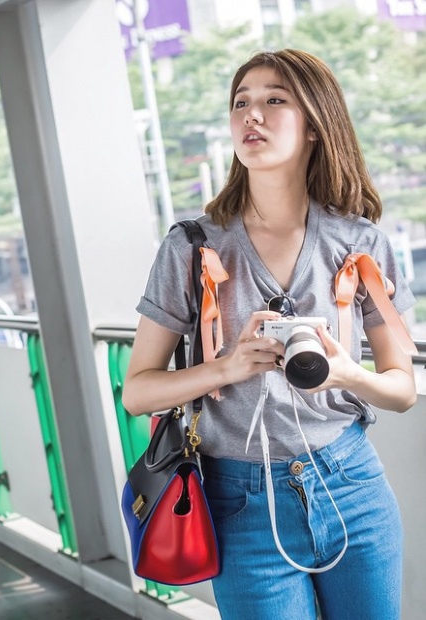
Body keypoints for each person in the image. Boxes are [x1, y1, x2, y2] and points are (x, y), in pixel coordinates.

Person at [122, 49, 416, 620]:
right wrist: (227, 367)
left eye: (274, 101)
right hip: (238, 500)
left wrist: (343, 372)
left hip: (352, 485)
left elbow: (402, 388)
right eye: (241, 104)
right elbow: (137, 392)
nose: (251, 116)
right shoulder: (192, 246)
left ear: (313, 125)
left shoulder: (360, 244)